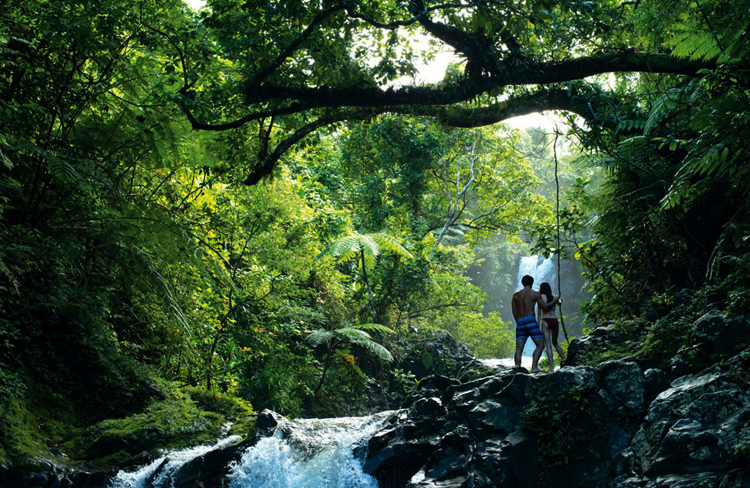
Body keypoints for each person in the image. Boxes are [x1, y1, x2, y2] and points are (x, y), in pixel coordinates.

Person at [511, 275, 560, 373]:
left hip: (520, 321)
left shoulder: (515, 295)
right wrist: (555, 300)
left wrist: (519, 322)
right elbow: (545, 307)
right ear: (532, 283)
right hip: (530, 321)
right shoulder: (535, 294)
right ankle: (534, 367)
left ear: (522, 283)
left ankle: (517, 369)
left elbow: (514, 311)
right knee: (540, 344)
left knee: (519, 348)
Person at [537, 281, 566, 372]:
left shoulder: (540, 297)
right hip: (554, 320)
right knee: (555, 343)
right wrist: (559, 299)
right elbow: (560, 303)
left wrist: (537, 324)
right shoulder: (554, 297)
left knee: (548, 345)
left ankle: (552, 368)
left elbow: (539, 313)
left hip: (545, 320)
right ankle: (565, 360)